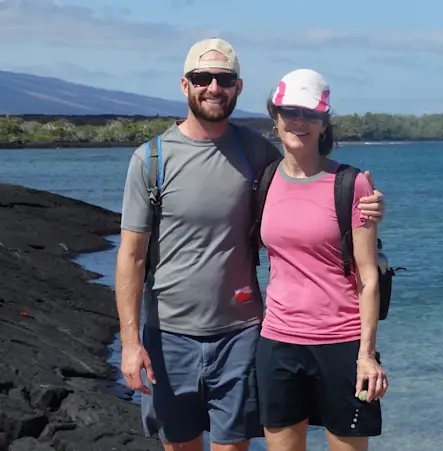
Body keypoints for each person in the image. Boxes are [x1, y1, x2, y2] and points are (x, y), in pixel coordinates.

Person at [114, 38, 385, 451]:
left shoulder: (256, 153)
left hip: (242, 337)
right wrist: (131, 345)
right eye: (202, 78)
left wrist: (368, 202)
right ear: (184, 84)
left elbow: (311, 184)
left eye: (224, 79)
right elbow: (131, 257)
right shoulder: (151, 160)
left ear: (238, 88)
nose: (213, 87)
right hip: (171, 336)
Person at [254, 68, 388, 451]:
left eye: (310, 114)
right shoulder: (264, 181)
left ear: (324, 122)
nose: (299, 122)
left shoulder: (351, 183)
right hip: (278, 342)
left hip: (341, 343)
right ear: (275, 116)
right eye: (290, 111)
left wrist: (367, 355)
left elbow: (368, 278)